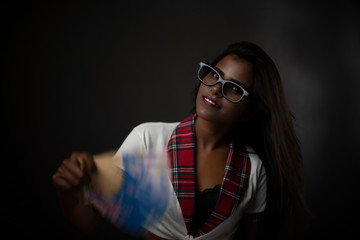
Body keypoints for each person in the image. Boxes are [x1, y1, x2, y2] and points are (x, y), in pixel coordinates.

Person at [52, 41, 307, 240]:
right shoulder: (148, 138)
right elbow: (89, 221)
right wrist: (70, 193)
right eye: (213, 75)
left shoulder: (253, 169)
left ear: (250, 112)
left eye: (234, 88)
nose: (216, 89)